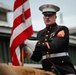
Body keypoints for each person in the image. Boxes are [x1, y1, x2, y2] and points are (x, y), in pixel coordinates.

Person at [23, 4, 76, 75]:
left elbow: (52, 47)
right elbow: (38, 57)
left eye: (50, 15)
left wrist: (28, 42)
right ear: (43, 18)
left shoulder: (62, 30)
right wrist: (26, 49)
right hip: (46, 69)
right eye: (45, 16)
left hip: (62, 68)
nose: (47, 18)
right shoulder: (40, 33)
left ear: (55, 17)